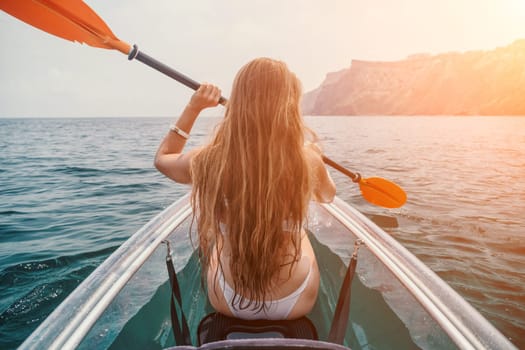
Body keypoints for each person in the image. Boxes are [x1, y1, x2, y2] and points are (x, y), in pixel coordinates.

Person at [155, 57, 336, 320]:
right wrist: (316, 157)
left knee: (221, 237)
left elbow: (162, 159)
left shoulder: (208, 160)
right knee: (300, 233)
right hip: (296, 300)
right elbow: (327, 196)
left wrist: (193, 108)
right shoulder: (306, 159)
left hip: (228, 298)